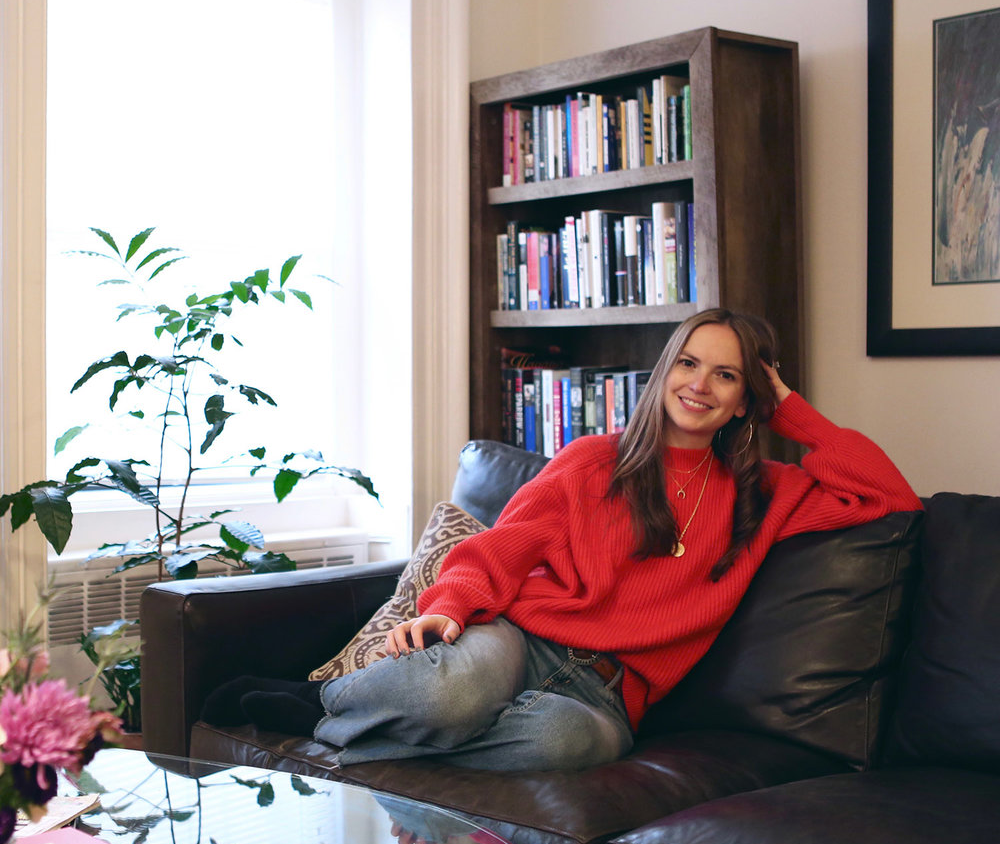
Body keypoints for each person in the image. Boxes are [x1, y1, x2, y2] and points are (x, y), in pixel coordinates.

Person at [203, 308, 923, 773]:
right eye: (688, 363)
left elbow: (888, 497)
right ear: (664, 371)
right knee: (457, 693)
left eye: (726, 375)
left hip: (605, 697)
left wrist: (791, 409)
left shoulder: (766, 495)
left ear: (745, 401)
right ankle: (327, 702)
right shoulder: (592, 461)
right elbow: (500, 550)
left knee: (568, 745)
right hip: (521, 641)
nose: (700, 385)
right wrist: (449, 607)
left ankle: (344, 731)